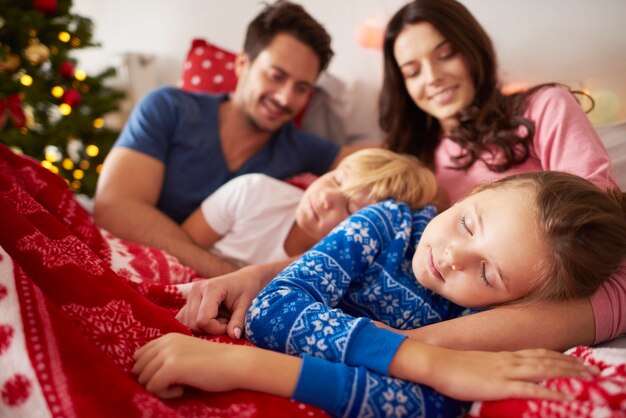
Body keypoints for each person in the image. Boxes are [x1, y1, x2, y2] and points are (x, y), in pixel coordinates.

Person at [134, 170, 625, 417]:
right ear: (473, 194)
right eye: (468, 225)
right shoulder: (385, 223)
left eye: (488, 275)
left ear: (510, 304)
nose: (454, 257)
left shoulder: (471, 326)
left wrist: (242, 365)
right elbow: (273, 309)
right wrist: (427, 361)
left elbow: (420, 407)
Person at [376, 0, 625, 349]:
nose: (432, 78)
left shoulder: (542, 108)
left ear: (473, 48)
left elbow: (606, 248)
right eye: (412, 71)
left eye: (445, 54)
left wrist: (411, 345)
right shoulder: (413, 161)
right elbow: (367, 239)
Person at [93, 1, 361, 278]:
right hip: (138, 266)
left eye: (301, 88)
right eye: (276, 76)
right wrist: (225, 275)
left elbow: (375, 163)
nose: (285, 98)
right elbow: (114, 207)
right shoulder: (169, 108)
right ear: (243, 64)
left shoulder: (300, 147)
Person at [180, 148, 437, 267]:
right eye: (336, 179)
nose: (326, 198)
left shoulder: (338, 274)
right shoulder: (252, 191)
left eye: (349, 208)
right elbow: (176, 248)